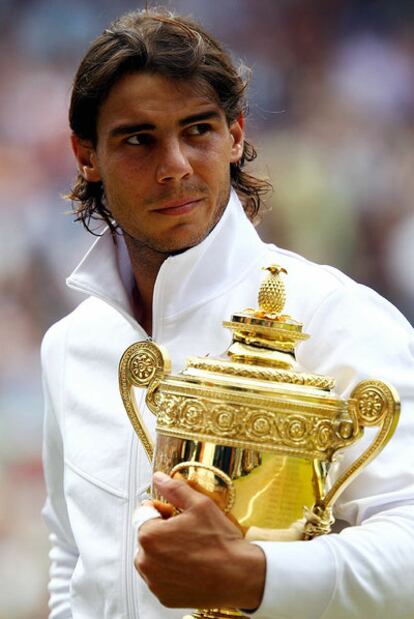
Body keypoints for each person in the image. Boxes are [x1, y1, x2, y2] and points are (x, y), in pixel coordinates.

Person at [41, 8, 414, 619]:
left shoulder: (337, 316)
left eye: (198, 130)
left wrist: (255, 577)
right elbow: (72, 556)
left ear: (235, 135)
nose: (175, 166)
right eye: (138, 139)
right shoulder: (69, 345)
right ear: (86, 155)